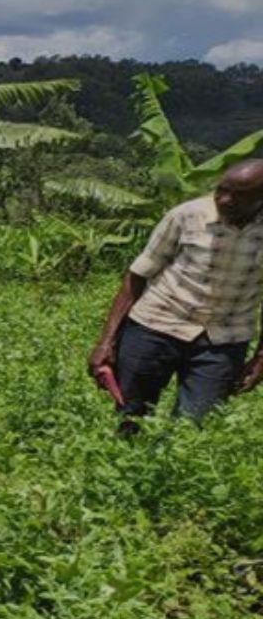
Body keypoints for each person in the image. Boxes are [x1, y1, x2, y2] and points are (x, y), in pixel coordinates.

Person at [89, 160, 263, 428]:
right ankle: (129, 466)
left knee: (194, 426)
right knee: (130, 415)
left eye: (238, 195)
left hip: (224, 340)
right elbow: (138, 275)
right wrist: (106, 342)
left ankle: (171, 471)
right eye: (221, 189)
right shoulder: (187, 215)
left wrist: (261, 359)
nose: (224, 199)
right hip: (156, 325)